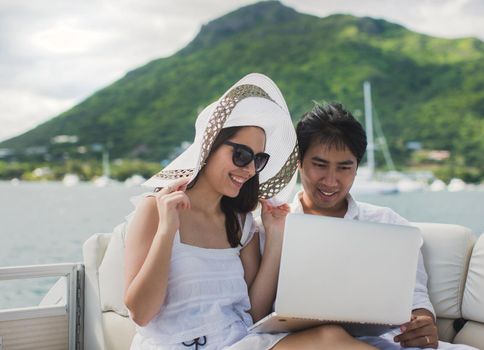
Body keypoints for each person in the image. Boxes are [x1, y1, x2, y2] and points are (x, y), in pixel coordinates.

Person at [124, 74, 374, 350]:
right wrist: (166, 231)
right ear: (210, 146)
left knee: (331, 337)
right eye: (241, 155)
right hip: (176, 344)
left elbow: (253, 314)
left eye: (258, 160)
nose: (249, 169)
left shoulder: (240, 222)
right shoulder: (156, 209)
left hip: (238, 342)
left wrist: (275, 237)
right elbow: (140, 313)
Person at [284, 102, 478, 350]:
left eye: (345, 167)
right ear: (298, 162)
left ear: (356, 168)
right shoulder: (274, 227)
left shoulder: (389, 225)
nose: (331, 180)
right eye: (320, 165)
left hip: (380, 342)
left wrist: (423, 321)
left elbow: (416, 297)